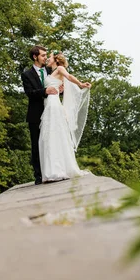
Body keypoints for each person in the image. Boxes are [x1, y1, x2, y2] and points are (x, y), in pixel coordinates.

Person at [39, 51, 92, 183]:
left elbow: (69, 76)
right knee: (50, 135)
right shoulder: (50, 73)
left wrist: (80, 84)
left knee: (53, 133)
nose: (48, 59)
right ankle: (52, 169)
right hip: (49, 102)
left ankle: (56, 170)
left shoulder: (60, 68)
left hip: (53, 103)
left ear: (56, 60)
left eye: (50, 57)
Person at [21, 45, 60, 185]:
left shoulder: (51, 69)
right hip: (35, 114)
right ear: (35, 57)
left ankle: (54, 170)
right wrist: (45, 91)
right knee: (36, 144)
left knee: (54, 141)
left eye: (45, 55)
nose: (45, 57)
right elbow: (30, 93)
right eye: (43, 55)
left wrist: (59, 90)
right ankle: (39, 176)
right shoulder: (26, 74)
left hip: (52, 112)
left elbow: (56, 87)